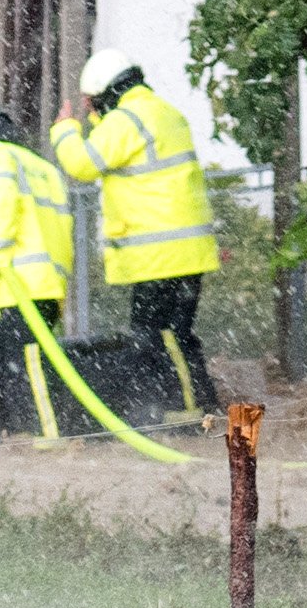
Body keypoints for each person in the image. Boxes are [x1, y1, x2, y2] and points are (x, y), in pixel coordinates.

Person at [55, 47, 223, 417]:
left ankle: (171, 411)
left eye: (94, 103)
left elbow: (82, 164)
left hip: (157, 256)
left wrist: (66, 128)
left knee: (153, 337)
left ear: (106, 94)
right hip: (186, 251)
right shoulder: (163, 112)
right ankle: (196, 408)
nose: (92, 111)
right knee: (176, 334)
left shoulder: (127, 121)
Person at [0, 101, 79, 442]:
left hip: (22, 278)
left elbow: (4, 200)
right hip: (45, 280)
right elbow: (62, 224)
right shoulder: (38, 165)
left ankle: (43, 434)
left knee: (26, 361)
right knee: (1, 354)